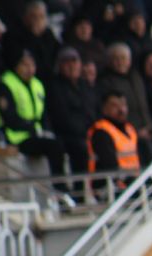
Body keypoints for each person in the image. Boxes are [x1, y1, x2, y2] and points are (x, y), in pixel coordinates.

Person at [0, 49, 66, 177]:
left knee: (61, 142)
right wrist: (32, 127)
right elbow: (9, 119)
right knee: (54, 146)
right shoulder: (4, 85)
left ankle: (59, 184)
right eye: (25, 65)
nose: (29, 69)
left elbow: (43, 115)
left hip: (32, 134)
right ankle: (59, 185)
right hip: (11, 136)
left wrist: (45, 130)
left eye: (32, 65)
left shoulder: (37, 84)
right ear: (16, 66)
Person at [46, 47, 96, 177]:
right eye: (67, 62)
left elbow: (93, 109)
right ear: (60, 66)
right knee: (80, 147)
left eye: (74, 62)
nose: (72, 66)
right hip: (68, 135)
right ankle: (80, 187)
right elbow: (62, 117)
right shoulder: (55, 87)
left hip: (89, 132)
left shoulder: (84, 85)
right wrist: (84, 132)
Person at [87, 91, 152, 176]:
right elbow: (109, 165)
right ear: (104, 109)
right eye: (115, 106)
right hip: (112, 181)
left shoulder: (130, 129)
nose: (121, 110)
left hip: (136, 179)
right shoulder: (101, 132)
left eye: (123, 105)